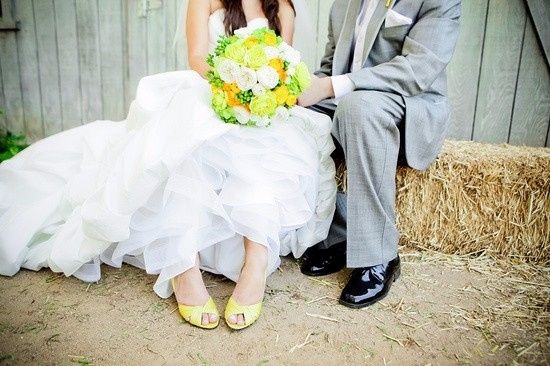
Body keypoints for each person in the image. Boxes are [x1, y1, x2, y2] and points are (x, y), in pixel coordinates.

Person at [0, 0, 336, 330]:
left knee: (263, 146)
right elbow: (197, 57)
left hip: (259, 108)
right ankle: (182, 262)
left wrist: (258, 87)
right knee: (188, 136)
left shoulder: (284, 9)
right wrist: (235, 88)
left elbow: (282, 69)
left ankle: (256, 259)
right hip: (212, 92)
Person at [298, 0, 461, 308]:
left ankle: (380, 256)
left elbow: (417, 71)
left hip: (409, 103)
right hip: (351, 100)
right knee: (298, 117)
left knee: (358, 108)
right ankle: (339, 237)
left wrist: (332, 85)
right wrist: (302, 92)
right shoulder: (343, 3)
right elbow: (331, 66)